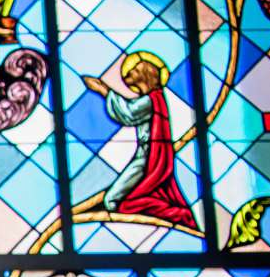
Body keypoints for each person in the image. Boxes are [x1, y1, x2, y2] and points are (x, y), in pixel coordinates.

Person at [82, 51, 195, 229]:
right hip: (146, 156)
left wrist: (103, 90)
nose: (127, 76)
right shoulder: (153, 99)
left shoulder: (152, 100)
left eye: (133, 71)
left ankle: (173, 215)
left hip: (148, 158)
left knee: (113, 200)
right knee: (118, 198)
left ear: (145, 74)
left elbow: (128, 113)